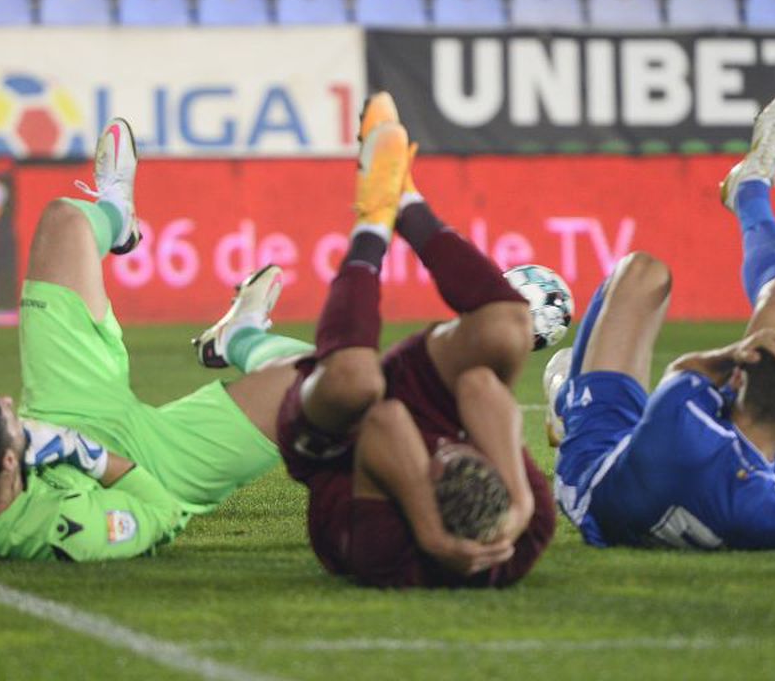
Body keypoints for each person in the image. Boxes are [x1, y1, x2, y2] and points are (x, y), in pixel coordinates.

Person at [0, 118, 299, 561]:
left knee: (64, 220)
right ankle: (241, 338)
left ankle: (117, 214)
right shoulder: (65, 532)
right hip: (153, 467)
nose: (11, 402)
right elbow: (161, 511)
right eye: (8, 417)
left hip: (66, 403)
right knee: (313, 381)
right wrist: (86, 454)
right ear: (10, 461)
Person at [192, 92, 557, 588]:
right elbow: (478, 386)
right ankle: (407, 202)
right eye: (466, 453)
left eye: (443, 459)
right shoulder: (526, 532)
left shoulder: (389, 552)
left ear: (426, 492)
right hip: (425, 413)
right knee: (509, 328)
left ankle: (373, 219)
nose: (448, 447)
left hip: (343, 447)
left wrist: (431, 535)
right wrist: (521, 500)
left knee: (353, 381)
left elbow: (384, 419)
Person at [545, 93, 775, 550]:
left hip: (595, 473)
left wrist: (732, 353)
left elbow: (685, 372)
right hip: (679, 468)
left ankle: (566, 399)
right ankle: (751, 188)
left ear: (738, 375)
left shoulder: (682, 418)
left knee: (643, 272)